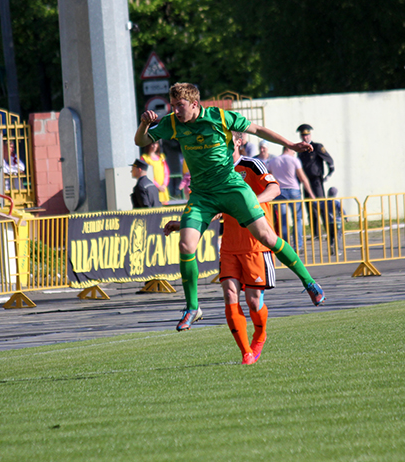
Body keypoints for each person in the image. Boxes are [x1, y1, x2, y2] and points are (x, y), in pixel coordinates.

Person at [135, 82, 324, 332]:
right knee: (185, 245)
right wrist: (144, 124)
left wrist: (293, 144)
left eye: (180, 105)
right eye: (173, 106)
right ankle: (192, 307)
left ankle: (309, 282)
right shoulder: (172, 122)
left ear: (194, 104)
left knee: (267, 237)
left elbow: (258, 129)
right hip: (202, 195)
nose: (176, 111)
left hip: (232, 188)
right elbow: (140, 140)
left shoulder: (220, 117)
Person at [164, 131, 279, 364]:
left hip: (255, 245)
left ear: (238, 142)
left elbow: (275, 189)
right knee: (229, 294)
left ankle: (260, 336)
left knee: (254, 301)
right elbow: (211, 207)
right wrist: (183, 223)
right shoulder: (217, 170)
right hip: (229, 247)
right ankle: (246, 352)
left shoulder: (252, 165)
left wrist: (249, 203)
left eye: (225, 140)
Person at [267, 146, 316, 252]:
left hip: (280, 191)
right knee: (297, 219)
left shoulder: (273, 161)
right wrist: (311, 194)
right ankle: (298, 246)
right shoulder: (294, 160)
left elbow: (269, 177)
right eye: (293, 151)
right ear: (288, 149)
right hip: (294, 190)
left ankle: (286, 247)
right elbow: (302, 178)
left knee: (283, 220)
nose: (294, 153)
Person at [296, 124, 334, 234]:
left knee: (322, 206)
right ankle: (316, 233)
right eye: (303, 135)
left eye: (307, 135)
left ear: (310, 135)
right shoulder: (300, 149)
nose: (305, 137)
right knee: (310, 207)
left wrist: (329, 174)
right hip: (306, 182)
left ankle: (329, 231)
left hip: (316, 180)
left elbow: (329, 160)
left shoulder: (317, 147)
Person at [325, 186, 344, 256]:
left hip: (329, 222)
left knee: (330, 236)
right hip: (338, 221)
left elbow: (318, 205)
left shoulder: (325, 203)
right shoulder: (337, 203)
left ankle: (330, 248)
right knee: (338, 236)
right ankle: (337, 250)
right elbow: (342, 210)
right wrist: (346, 218)